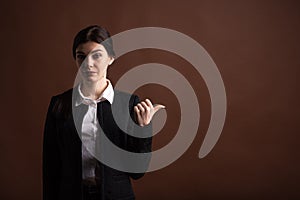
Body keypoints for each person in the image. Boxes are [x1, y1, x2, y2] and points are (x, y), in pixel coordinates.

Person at [43, 25, 165, 200]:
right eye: (81, 56)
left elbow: (137, 172)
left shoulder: (129, 105)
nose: (88, 64)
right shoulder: (60, 104)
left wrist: (143, 129)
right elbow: (51, 168)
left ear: (111, 58)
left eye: (97, 55)